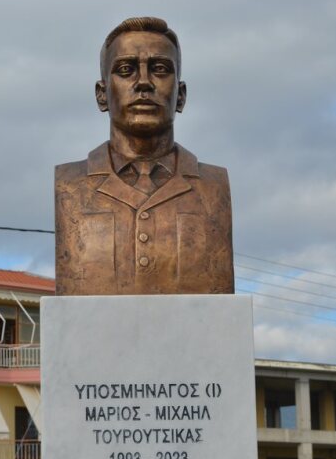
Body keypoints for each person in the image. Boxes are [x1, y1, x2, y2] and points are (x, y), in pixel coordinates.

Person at [55, 16, 234, 295]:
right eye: (126, 70)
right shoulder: (69, 185)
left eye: (159, 69)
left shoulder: (213, 186)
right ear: (102, 95)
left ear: (181, 95)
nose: (143, 83)